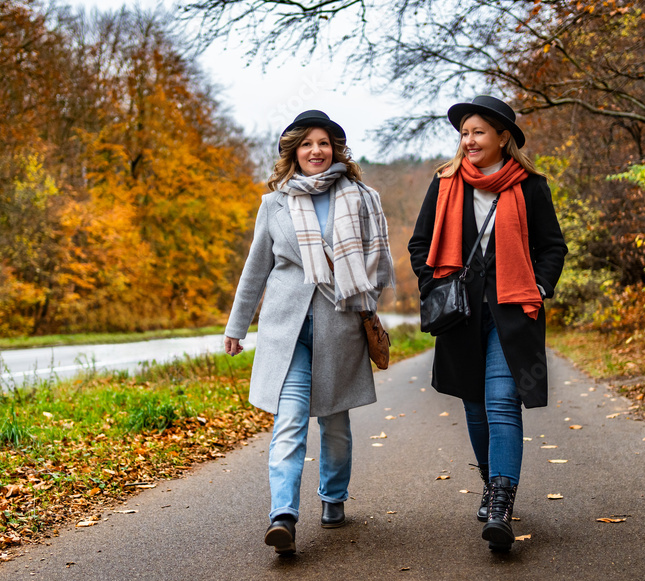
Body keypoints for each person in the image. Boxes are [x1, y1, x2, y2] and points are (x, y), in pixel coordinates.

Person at [225, 110, 394, 556]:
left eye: (324, 143)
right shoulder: (274, 203)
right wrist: (236, 325)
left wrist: (361, 296)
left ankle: (333, 496)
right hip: (288, 331)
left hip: (339, 328)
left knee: (335, 421)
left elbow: (379, 266)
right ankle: (283, 516)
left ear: (335, 149)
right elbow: (255, 268)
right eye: (307, 144)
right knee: (290, 422)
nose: (316, 151)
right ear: (293, 152)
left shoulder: (360, 198)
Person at [408, 95, 567, 553]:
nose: (469, 140)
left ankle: (500, 506)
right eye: (464, 133)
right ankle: (489, 483)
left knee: (501, 403)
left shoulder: (530, 187)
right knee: (474, 406)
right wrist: (433, 285)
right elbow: (421, 245)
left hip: (512, 313)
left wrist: (538, 286)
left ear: (503, 137)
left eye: (478, 132)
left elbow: (553, 247)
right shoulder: (444, 185)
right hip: (460, 314)